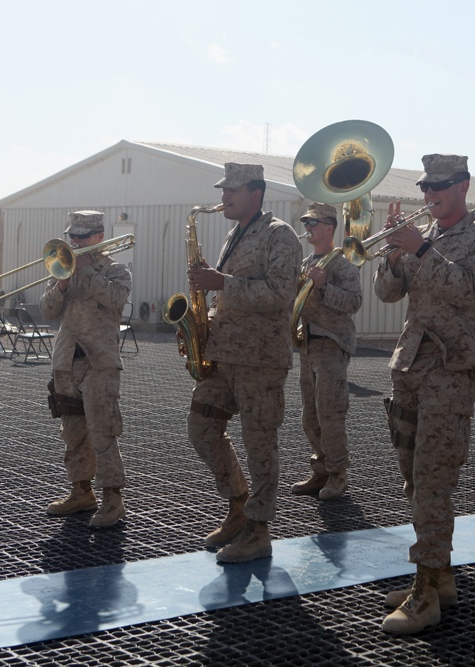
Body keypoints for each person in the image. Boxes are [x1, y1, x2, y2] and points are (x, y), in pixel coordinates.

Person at [374, 154, 475, 634]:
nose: (431, 194)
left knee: (433, 478)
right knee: (413, 475)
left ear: (464, 185)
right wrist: (393, 257)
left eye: (442, 185)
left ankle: (426, 591)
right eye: (427, 185)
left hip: (450, 367)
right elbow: (388, 293)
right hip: (409, 365)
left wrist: (423, 251)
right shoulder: (422, 233)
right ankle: (441, 575)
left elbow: (472, 290)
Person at [186, 163, 303, 564]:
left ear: (257, 192)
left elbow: (280, 293)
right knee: (201, 427)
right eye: (223, 189)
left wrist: (222, 283)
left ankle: (259, 530)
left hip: (260, 360)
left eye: (232, 190)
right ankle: (238, 504)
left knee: (259, 444)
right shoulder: (234, 234)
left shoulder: (280, 235)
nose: (224, 197)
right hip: (224, 355)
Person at [41, 210, 132, 529]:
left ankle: (112, 499)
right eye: (72, 236)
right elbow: (49, 311)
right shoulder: (61, 270)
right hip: (67, 362)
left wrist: (87, 272)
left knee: (103, 430)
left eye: (81, 236)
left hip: (100, 363)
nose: (74, 241)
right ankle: (80, 491)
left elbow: (115, 300)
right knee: (73, 432)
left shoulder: (117, 270)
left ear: (99, 238)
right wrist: (62, 286)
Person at [291, 202, 363, 501]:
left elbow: (353, 302)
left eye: (314, 223)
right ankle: (321, 469)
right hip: (309, 344)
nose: (308, 228)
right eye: (307, 223)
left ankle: (338, 474)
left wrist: (323, 287)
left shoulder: (342, 264)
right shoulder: (307, 262)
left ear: (330, 228)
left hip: (331, 344)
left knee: (330, 412)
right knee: (310, 415)